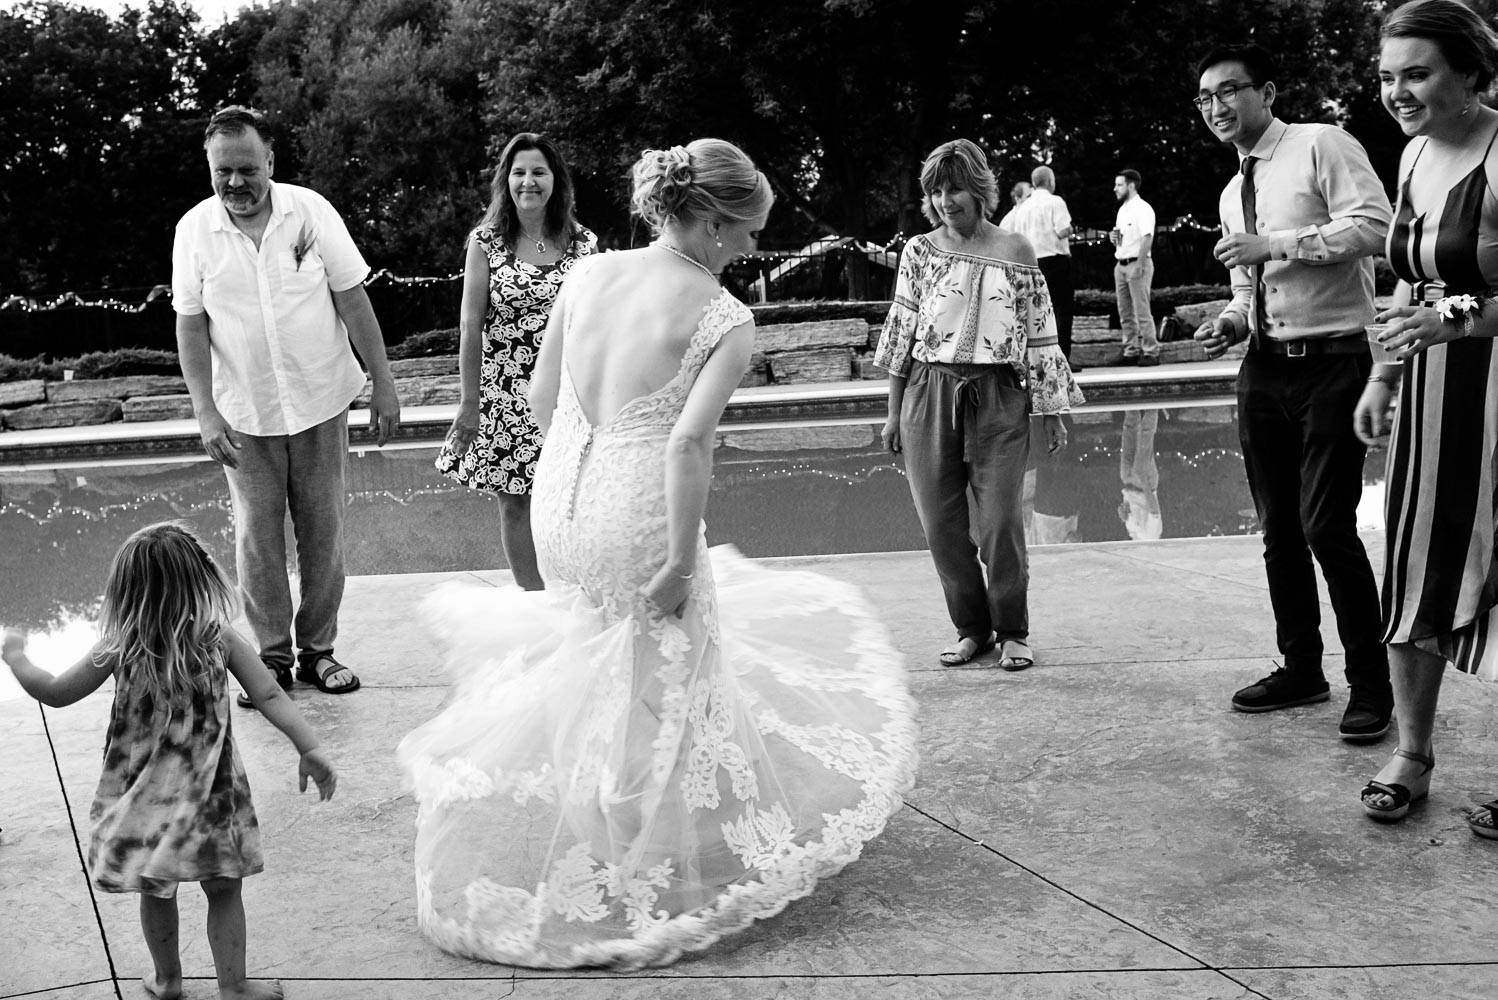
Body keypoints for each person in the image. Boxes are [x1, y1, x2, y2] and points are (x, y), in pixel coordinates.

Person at [398, 139, 917, 968]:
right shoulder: (724, 317)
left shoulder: (589, 273)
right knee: (661, 689)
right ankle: (631, 857)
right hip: (639, 512)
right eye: (748, 232)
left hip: (561, 506)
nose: (751, 249)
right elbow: (687, 446)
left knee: (597, 668)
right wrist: (678, 562)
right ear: (710, 221)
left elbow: (539, 398)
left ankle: (613, 826)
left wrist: (580, 467)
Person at [3, 522, 336, 1000]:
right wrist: (310, 746)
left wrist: (16, 657)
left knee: (156, 890)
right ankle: (235, 986)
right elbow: (268, 693)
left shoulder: (119, 645)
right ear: (201, 578)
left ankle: (167, 981)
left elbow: (54, 692)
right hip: (213, 795)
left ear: (125, 589)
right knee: (224, 889)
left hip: (145, 801)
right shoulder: (218, 637)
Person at [1190, 44, 1395, 741]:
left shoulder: (1321, 145)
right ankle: (1301, 668)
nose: (1217, 107)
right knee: (1279, 529)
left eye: (1229, 90)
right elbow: (1246, 287)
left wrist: (1274, 242)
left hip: (1336, 361)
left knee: (1325, 525)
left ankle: (1373, 687)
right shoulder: (1230, 190)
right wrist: (1228, 319)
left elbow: (1375, 227)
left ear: (1267, 91)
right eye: (1205, 98)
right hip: (1264, 368)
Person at [173, 106, 401, 708]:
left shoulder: (311, 212)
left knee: (323, 530)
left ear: (270, 162)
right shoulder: (194, 231)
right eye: (223, 170)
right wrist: (205, 411)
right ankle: (270, 658)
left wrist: (384, 382)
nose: (236, 182)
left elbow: (352, 300)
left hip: (320, 398)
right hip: (244, 413)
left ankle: (319, 652)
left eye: (247, 168)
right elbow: (191, 328)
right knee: (257, 539)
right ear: (210, 168)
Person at [1352, 0, 1498, 837]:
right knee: (1411, 561)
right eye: (1386, 76)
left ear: (1471, 73)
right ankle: (1412, 752)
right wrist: (1383, 372)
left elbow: (1459, 297)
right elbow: (1410, 280)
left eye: (1417, 73)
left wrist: (1461, 316)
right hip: (1435, 394)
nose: (1398, 92)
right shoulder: (1411, 155)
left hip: (1494, 384)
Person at [875, 138, 1083, 670]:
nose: (948, 201)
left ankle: (1012, 628)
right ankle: (972, 629)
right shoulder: (919, 252)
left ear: (981, 189)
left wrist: (1052, 410)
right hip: (928, 391)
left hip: (998, 396)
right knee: (941, 526)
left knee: (1000, 523)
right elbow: (902, 335)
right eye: (938, 191)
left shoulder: (1016, 250)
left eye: (957, 188)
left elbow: (1040, 335)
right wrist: (894, 412)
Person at [435, 134, 598, 590]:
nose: (529, 181)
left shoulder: (584, 243)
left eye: (539, 172)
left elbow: (598, 321)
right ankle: (534, 600)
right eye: (519, 172)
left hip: (570, 392)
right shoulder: (486, 242)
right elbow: (470, 327)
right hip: (507, 392)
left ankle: (576, 587)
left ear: (555, 180)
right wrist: (470, 404)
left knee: (574, 494)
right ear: (506, 180)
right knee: (516, 502)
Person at [1005, 166, 1077, 363]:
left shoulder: (1023, 208)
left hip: (1030, 264)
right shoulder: (1055, 202)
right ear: (1051, 181)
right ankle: (1062, 358)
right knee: (1061, 310)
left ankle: (1037, 359)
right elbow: (1062, 230)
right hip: (1055, 261)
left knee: (1036, 312)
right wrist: (1070, 228)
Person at [1111, 168, 1159, 366]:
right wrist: (1113, 239)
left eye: (1119, 185)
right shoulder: (1122, 209)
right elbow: (1123, 239)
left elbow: (1148, 237)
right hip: (1120, 263)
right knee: (1125, 312)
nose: (1115, 189)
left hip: (1137, 263)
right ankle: (1131, 350)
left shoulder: (1143, 208)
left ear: (1131, 185)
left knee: (1141, 310)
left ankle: (1151, 351)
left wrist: (1139, 264)